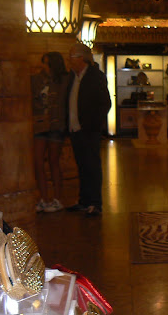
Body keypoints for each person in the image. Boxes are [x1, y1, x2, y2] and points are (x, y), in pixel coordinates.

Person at [66, 43, 111, 217]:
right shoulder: (72, 76)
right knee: (82, 165)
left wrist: (94, 124)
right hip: (75, 128)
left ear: (81, 58)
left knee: (92, 165)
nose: (69, 60)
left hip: (89, 129)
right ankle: (84, 200)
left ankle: (95, 203)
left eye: (72, 57)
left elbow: (105, 103)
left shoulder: (95, 76)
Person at [31, 52, 69, 213]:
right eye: (43, 63)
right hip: (40, 124)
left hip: (56, 125)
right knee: (38, 161)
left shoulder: (64, 80)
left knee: (54, 161)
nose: (44, 66)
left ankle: (57, 199)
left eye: (47, 63)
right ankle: (44, 198)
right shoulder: (36, 79)